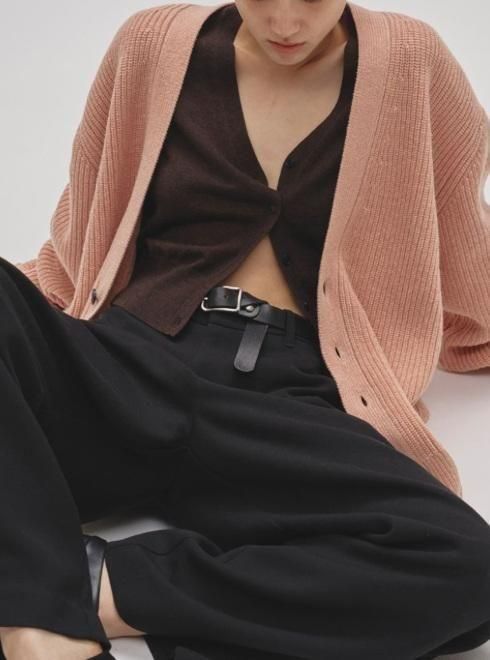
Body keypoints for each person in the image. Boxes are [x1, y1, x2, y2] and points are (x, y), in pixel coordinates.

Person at [1, 0, 489, 658]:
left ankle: (93, 587)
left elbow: (461, 235)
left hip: (289, 396)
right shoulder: (151, 44)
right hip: (128, 361)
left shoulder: (411, 63)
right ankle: (37, 607)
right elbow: (90, 218)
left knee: (466, 567)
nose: (286, 22)